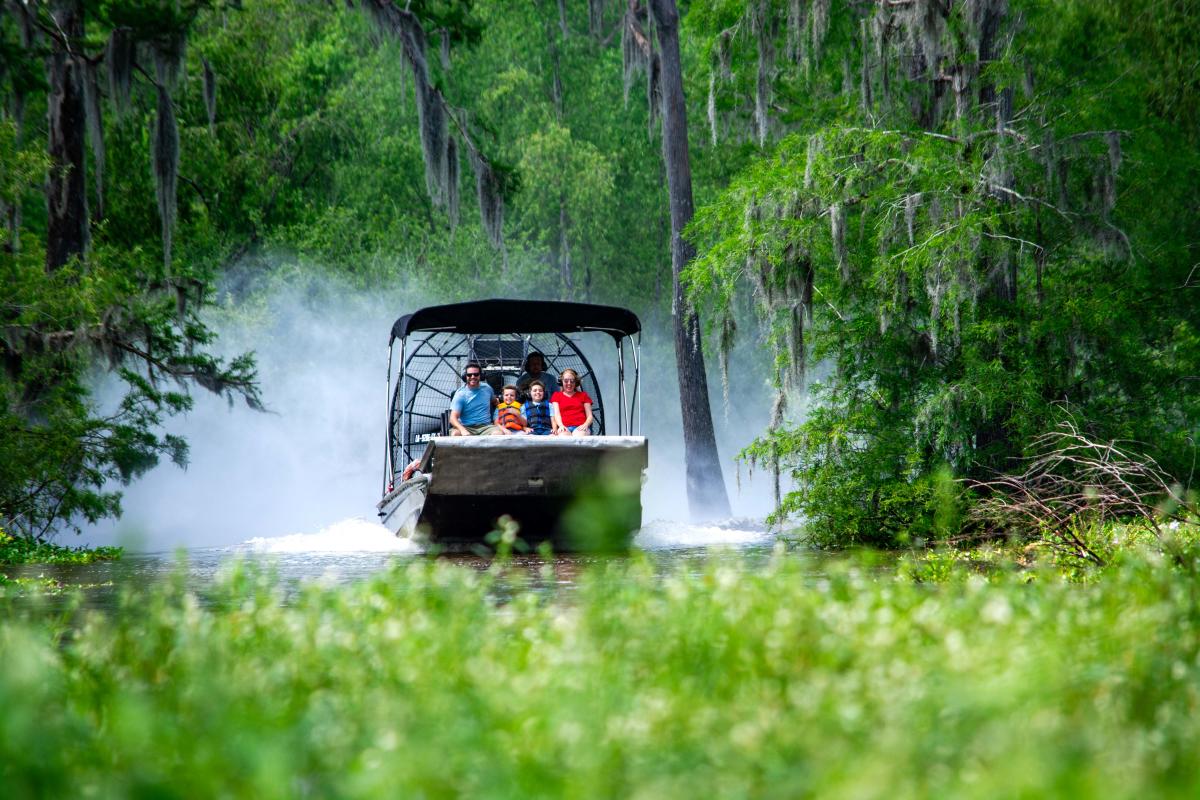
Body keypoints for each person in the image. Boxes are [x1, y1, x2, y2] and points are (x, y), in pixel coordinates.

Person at [449, 362, 501, 436]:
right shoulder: (460, 394)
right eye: (469, 375)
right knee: (455, 434)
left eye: (476, 374)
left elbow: (495, 402)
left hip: (486, 427)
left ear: (481, 376)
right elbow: (453, 418)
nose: (473, 377)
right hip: (466, 427)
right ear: (465, 376)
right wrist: (463, 430)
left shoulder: (487, 389)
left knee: (498, 433)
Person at [551, 368, 593, 436]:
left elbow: (590, 416)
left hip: (580, 427)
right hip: (564, 427)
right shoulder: (556, 395)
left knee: (579, 438)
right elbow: (556, 414)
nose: (569, 383)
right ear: (561, 381)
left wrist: (585, 425)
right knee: (564, 438)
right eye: (566, 381)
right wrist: (561, 426)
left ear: (576, 382)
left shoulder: (583, 395)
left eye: (572, 381)